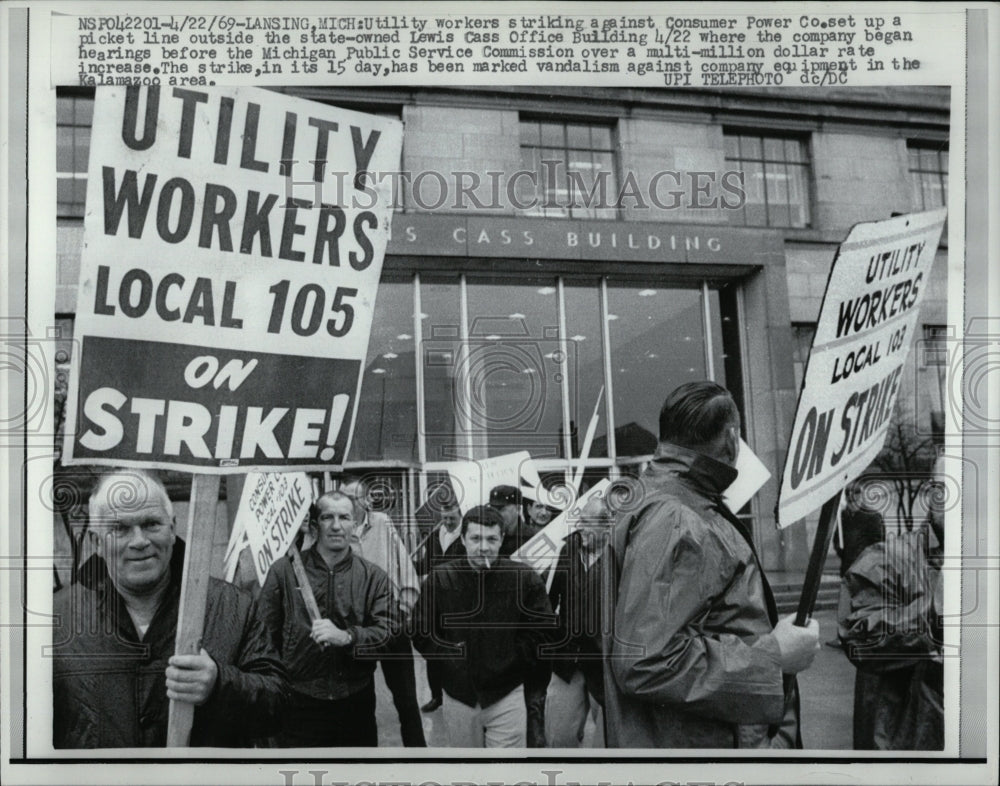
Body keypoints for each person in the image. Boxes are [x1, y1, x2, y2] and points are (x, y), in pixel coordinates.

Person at [604, 381, 820, 749]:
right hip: (702, 748)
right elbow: (646, 661)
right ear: (733, 439)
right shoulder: (678, 517)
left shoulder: (669, 502)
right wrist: (773, 655)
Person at [52, 469, 287, 748]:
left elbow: (279, 707)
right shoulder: (55, 619)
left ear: (173, 528)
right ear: (96, 542)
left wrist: (220, 684)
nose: (139, 541)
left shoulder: (234, 607)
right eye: (120, 529)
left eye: (151, 524)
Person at [412, 505, 555, 748]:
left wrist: (512, 659)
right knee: (468, 771)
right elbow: (421, 630)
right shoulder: (441, 578)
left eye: (491, 539)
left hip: (507, 694)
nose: (484, 547)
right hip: (459, 695)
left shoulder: (524, 578)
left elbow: (543, 630)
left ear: (502, 540)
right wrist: (450, 658)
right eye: (476, 538)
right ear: (464, 539)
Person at [258, 491, 391, 747]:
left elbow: (388, 634)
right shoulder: (284, 572)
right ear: (316, 523)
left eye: (344, 517)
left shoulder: (373, 577)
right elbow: (263, 636)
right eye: (328, 517)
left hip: (355, 703)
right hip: (298, 702)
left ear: (355, 523)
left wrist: (347, 637)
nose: (336, 525)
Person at [837, 466, 944, 750]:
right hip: (908, 747)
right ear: (932, 495)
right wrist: (933, 611)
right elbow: (858, 634)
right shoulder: (889, 557)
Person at [339, 476, 426, 746]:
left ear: (366, 500)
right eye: (341, 497)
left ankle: (421, 759)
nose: (346, 504)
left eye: (352, 498)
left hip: (390, 622)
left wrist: (403, 609)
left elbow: (405, 568)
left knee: (407, 701)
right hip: (357, 630)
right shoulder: (336, 530)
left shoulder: (382, 523)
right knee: (361, 703)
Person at [545, 495, 612, 748]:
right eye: (579, 521)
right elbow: (550, 600)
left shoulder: (622, 555)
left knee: (610, 741)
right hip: (567, 661)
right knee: (558, 737)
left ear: (607, 526)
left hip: (604, 665)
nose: (580, 528)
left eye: (586, 522)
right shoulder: (569, 549)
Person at [414, 497, 465, 713]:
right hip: (435, 601)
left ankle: (459, 693)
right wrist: (410, 566)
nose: (448, 522)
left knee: (456, 648)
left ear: (460, 514)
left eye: (452, 518)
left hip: (458, 603)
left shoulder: (465, 537)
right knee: (433, 649)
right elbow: (427, 562)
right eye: (444, 517)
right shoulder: (436, 535)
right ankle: (437, 696)